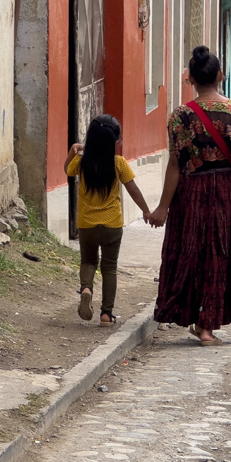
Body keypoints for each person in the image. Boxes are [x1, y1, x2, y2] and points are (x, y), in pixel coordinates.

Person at [149, 46, 231, 347]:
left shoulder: (180, 117)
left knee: (193, 254)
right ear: (220, 76)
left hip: (191, 194)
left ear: (190, 79)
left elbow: (175, 163)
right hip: (226, 191)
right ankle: (208, 325)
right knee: (221, 254)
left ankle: (201, 321)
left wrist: (162, 207)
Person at [65, 114, 153, 327]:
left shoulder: (82, 162)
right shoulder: (119, 163)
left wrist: (72, 151)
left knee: (88, 261)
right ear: (115, 141)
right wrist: (146, 211)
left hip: (87, 224)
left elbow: (67, 170)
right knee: (109, 267)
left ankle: (86, 289)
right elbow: (133, 189)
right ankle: (106, 314)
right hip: (112, 224)